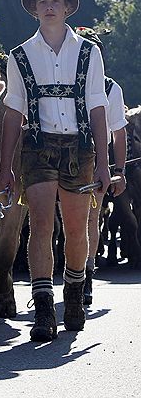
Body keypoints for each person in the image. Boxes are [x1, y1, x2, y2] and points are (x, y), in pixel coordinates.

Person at [0, 0, 111, 342]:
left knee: (76, 229)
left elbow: (97, 106)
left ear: (66, 9)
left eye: (55, 2)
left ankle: (74, 292)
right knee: (41, 224)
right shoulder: (20, 55)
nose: (48, 7)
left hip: (79, 148)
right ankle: (43, 307)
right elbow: (14, 112)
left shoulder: (89, 53)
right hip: (38, 148)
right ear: (34, 9)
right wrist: (4, 169)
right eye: (42, 2)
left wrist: (106, 164)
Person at [75, 27, 127, 305]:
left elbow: (118, 131)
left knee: (91, 218)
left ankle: (86, 274)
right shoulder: (64, 82)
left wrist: (118, 171)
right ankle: (55, 281)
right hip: (62, 152)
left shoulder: (110, 88)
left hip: (97, 157)